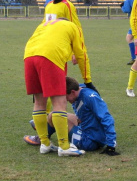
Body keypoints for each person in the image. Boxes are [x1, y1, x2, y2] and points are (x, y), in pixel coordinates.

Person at [24, 18, 89, 156]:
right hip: (50, 56)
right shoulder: (72, 26)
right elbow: (80, 53)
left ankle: (45, 144)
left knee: (39, 102)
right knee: (59, 102)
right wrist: (87, 80)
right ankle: (64, 147)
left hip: (29, 56)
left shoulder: (44, 24)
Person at [43, 0, 97, 92]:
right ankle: (47, 110)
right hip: (48, 49)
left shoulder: (68, 6)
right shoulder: (48, 6)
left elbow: (76, 29)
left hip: (61, 49)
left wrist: (74, 52)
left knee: (58, 83)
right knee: (48, 84)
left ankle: (57, 107)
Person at [120, 0, 137, 65]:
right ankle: (135, 57)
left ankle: (135, 58)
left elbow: (126, 10)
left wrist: (122, 6)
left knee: (129, 38)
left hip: (135, 21)